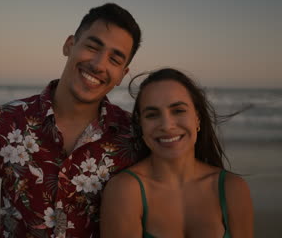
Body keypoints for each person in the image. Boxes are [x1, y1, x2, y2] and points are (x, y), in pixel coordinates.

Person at [0, 3, 142, 238]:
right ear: (69, 45)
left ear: (122, 75)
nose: (98, 64)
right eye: (92, 46)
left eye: (114, 60)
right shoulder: (0, 122)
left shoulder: (134, 137)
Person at [100, 68, 254, 238]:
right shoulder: (125, 190)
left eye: (178, 110)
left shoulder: (231, 188)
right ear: (141, 125)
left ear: (197, 118)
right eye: (152, 115)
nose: (166, 125)